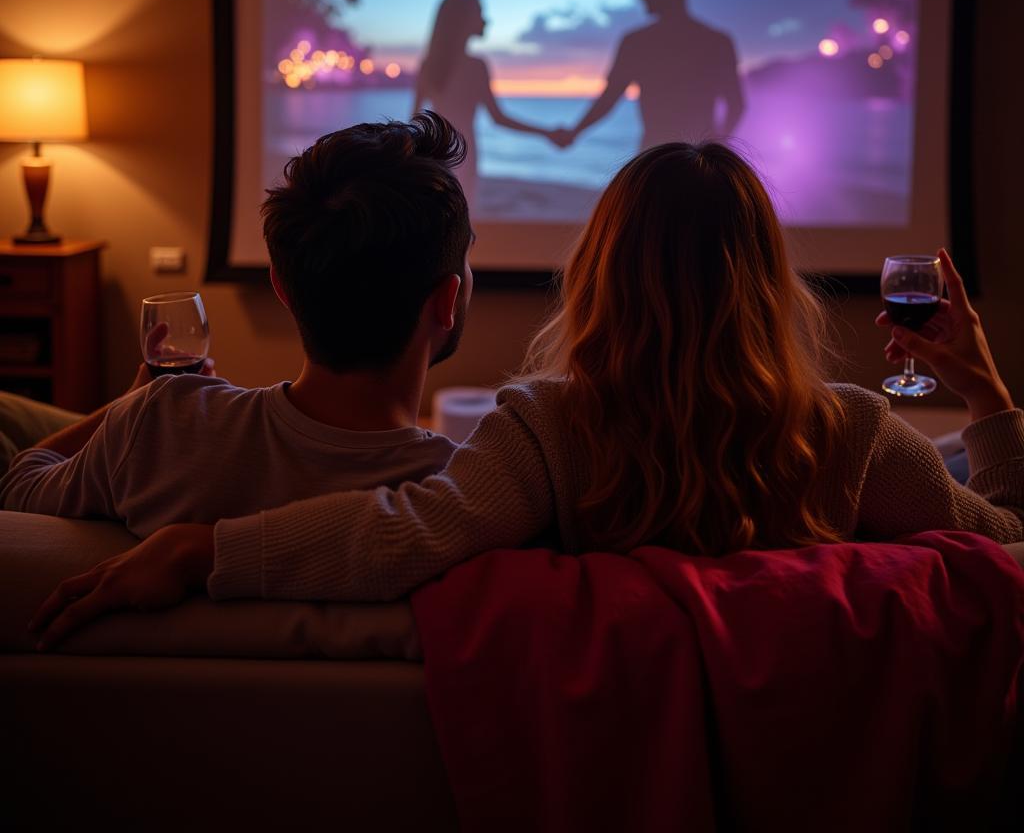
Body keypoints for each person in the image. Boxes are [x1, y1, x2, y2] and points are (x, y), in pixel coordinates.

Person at [29, 141, 1023, 647]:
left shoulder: (547, 431)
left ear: (602, 271)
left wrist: (206, 542)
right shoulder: (854, 434)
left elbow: (402, 533)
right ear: (768, 276)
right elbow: (1004, 547)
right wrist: (981, 390)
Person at [1, 112, 472, 537]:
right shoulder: (455, 493)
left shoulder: (160, 424)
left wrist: (128, 405)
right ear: (446, 301)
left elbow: (17, 488)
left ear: (281, 288)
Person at [553, 0, 745, 151]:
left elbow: (608, 99)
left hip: (654, 157)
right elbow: (736, 105)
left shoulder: (637, 42)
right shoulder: (717, 41)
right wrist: (717, 150)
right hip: (701, 161)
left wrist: (574, 133)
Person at [413, 0, 561, 207]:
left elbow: (414, 119)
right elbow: (499, 118)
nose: (486, 20)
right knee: (462, 220)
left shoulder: (430, 66)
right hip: (464, 155)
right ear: (462, 20)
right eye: (480, 13)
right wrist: (548, 133)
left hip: (436, 155)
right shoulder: (475, 66)